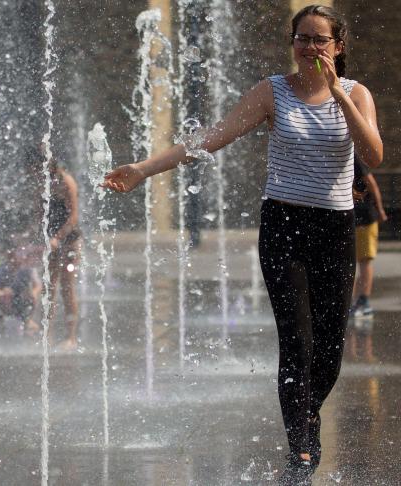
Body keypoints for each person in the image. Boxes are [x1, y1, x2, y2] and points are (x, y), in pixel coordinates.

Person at [101, 5, 382, 483]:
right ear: (292, 42)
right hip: (284, 226)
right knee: (297, 342)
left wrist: (338, 93)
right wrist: (144, 170)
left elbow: (373, 154)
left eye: (320, 39)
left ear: (338, 47)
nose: (309, 47)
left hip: (335, 229)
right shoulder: (273, 91)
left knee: (330, 350)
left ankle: (306, 413)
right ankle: (301, 449)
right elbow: (212, 138)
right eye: (302, 38)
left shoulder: (356, 94)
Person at [23, 146, 82, 350]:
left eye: (34, 168)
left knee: (67, 288)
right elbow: (39, 213)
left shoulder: (66, 181)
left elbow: (73, 217)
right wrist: (36, 236)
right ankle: (46, 335)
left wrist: (57, 237)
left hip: (69, 240)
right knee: (49, 287)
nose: (33, 174)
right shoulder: (41, 182)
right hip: (51, 242)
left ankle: (71, 337)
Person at [350, 156, 388, 318]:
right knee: (349, 262)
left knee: (364, 260)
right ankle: (350, 302)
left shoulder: (354, 159)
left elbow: (372, 184)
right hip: (349, 217)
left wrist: (380, 210)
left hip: (365, 217)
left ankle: (363, 301)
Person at [0, 242, 41, 333]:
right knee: (3, 295)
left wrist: (34, 292)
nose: (15, 258)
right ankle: (0, 317)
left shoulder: (28, 269)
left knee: (32, 295)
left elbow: (38, 285)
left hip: (21, 295)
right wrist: (0, 292)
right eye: (12, 256)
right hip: (6, 297)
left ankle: (28, 319)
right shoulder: (0, 269)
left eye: (18, 255)